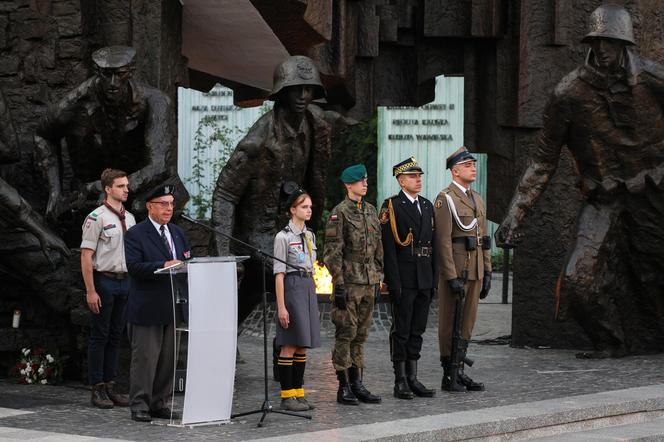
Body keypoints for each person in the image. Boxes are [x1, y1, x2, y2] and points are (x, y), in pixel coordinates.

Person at [495, 4, 664, 357]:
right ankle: (610, 342)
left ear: (625, 45)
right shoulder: (568, 94)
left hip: (655, 193)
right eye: (597, 41)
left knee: (653, 274)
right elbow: (543, 159)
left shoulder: (653, 80)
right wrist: (515, 215)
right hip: (604, 199)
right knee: (577, 280)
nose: (602, 49)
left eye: (610, 42)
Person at [210, 55, 333, 323]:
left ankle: (229, 337)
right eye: (295, 89)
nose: (302, 95)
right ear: (282, 92)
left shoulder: (316, 126)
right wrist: (224, 256)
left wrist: (311, 233)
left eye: (308, 89)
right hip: (256, 232)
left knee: (256, 288)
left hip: (287, 228)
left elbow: (317, 182)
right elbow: (225, 194)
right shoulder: (258, 140)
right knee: (286, 278)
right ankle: (287, 347)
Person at [34, 45, 186, 224]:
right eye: (107, 75)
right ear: (97, 72)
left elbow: (160, 165)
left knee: (144, 208)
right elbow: (43, 135)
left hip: (145, 187)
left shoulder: (155, 101)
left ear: (130, 72)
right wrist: (55, 193)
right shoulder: (77, 102)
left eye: (119, 74)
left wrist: (111, 188)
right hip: (95, 191)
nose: (113, 83)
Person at [124, 184, 191, 422]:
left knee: (168, 360)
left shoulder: (178, 233)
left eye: (171, 204)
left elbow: (186, 262)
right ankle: (139, 404)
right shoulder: (136, 234)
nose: (169, 208)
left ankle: (159, 402)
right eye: (163, 204)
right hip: (148, 307)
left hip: (173, 306)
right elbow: (133, 267)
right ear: (150, 206)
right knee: (146, 359)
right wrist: (161, 265)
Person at [323, 164, 383, 405]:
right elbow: (332, 252)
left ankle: (358, 383)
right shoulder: (340, 213)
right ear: (349, 185)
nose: (365, 183)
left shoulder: (370, 211)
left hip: (368, 281)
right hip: (349, 282)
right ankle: (343, 385)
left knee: (361, 334)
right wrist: (338, 284)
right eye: (360, 180)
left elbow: (378, 247)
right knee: (345, 334)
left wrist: (378, 274)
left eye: (366, 179)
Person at [433, 147, 491, 392]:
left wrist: (487, 270)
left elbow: (483, 237)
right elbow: (443, 241)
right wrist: (450, 275)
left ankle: (460, 369)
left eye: (473, 165)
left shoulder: (477, 198)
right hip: (457, 269)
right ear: (455, 171)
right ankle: (449, 372)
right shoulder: (445, 198)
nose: (473, 168)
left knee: (467, 321)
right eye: (467, 165)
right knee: (450, 321)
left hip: (476, 267)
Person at [379, 157, 436, 399]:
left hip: (424, 276)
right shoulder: (391, 206)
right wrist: (394, 282)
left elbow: (433, 245)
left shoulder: (427, 205)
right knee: (401, 329)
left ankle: (413, 377)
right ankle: (400, 379)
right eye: (413, 176)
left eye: (419, 176)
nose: (418, 180)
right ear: (402, 180)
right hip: (404, 276)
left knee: (417, 329)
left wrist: (434, 279)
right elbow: (389, 249)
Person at [80, 168, 135, 408]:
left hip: (126, 280)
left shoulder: (130, 218)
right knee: (99, 335)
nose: (126, 189)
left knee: (116, 334)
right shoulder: (97, 217)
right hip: (105, 280)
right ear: (108, 189)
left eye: (126, 186)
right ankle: (97, 387)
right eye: (121, 186)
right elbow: (85, 255)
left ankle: (111, 385)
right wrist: (91, 290)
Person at [273, 188, 321, 412]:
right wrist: (282, 306)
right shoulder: (283, 237)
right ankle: (286, 395)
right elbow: (279, 274)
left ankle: (298, 393)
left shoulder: (309, 235)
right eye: (304, 206)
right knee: (290, 344)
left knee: (303, 345)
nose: (308, 210)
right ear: (292, 210)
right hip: (291, 288)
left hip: (307, 286)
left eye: (310, 207)